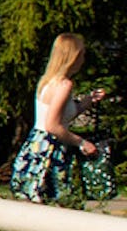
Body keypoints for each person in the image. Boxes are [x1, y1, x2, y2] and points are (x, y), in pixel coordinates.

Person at [12, 32, 111, 203]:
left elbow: (58, 117)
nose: (83, 59)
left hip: (36, 145)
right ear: (73, 57)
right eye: (81, 55)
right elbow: (53, 125)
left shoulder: (48, 81)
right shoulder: (64, 85)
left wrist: (88, 101)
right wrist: (82, 143)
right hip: (51, 149)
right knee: (55, 202)